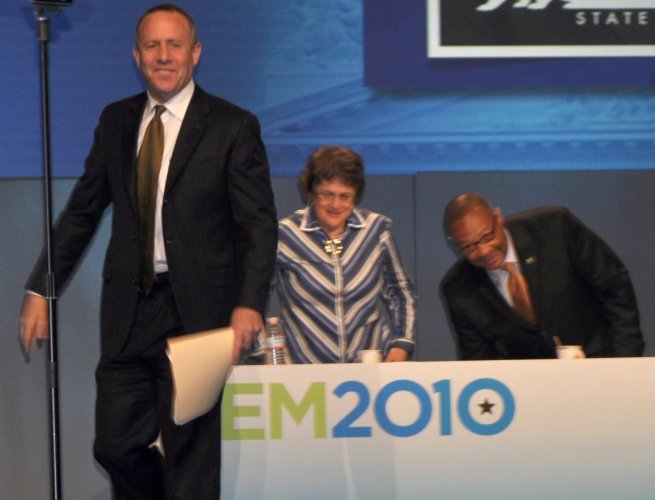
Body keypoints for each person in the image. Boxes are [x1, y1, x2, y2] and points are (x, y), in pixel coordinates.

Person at [19, 4, 277, 499]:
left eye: (174, 45)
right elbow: (81, 212)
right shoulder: (116, 121)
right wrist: (41, 288)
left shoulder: (232, 126)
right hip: (130, 311)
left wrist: (249, 303)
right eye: (152, 46)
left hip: (199, 313)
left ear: (195, 53)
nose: (163, 56)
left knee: (191, 459)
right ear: (136, 56)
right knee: (115, 446)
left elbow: (258, 226)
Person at [440, 192, 644, 360]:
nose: (484, 251)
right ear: (455, 244)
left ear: (498, 217)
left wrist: (625, 360)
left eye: (487, 236)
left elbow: (615, 286)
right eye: (469, 246)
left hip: (603, 365)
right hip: (529, 390)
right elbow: (479, 363)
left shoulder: (556, 228)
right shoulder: (458, 290)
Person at [272, 145, 416, 363]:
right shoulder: (285, 234)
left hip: (368, 365)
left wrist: (401, 343)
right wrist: (265, 351)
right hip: (303, 368)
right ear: (311, 193)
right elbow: (254, 299)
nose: (336, 204)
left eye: (345, 196)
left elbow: (400, 291)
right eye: (327, 194)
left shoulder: (376, 230)